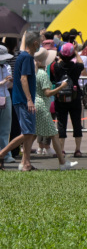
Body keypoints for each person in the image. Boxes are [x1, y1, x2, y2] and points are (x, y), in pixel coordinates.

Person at [0, 32, 42, 171]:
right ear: (35, 43)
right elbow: (24, 78)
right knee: (27, 133)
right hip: (24, 100)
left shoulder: (22, 56)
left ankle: (26, 163)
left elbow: (19, 77)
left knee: (30, 132)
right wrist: (29, 100)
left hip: (21, 99)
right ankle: (2, 153)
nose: (40, 44)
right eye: (39, 42)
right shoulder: (27, 58)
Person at [32, 48, 77, 170]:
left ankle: (22, 159)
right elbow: (47, 93)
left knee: (30, 135)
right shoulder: (42, 74)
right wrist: (61, 87)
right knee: (54, 134)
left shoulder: (36, 72)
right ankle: (62, 163)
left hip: (38, 105)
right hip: (42, 106)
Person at [50, 43, 85, 157]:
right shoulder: (76, 67)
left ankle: (62, 150)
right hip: (74, 98)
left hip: (60, 98)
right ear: (72, 55)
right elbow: (81, 63)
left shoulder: (56, 66)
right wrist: (75, 52)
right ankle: (78, 150)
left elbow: (58, 62)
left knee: (61, 124)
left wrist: (62, 56)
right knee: (77, 123)